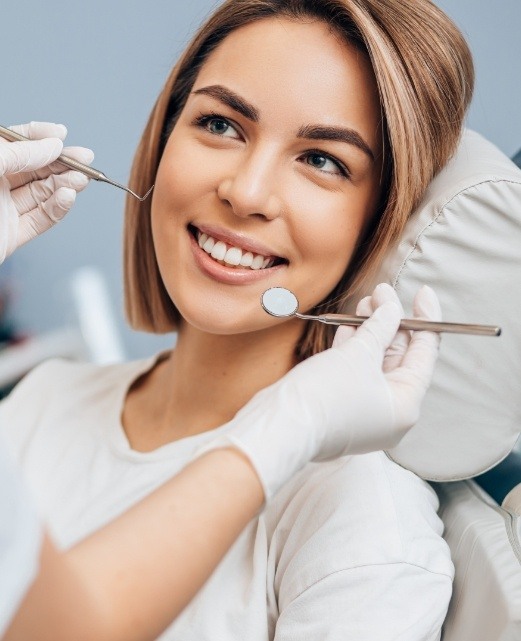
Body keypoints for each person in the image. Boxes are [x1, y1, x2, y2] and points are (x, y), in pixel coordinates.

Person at [0, 0, 474, 638]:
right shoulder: (43, 401)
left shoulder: (362, 530)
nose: (245, 192)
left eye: (323, 160)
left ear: (381, 223)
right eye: (221, 124)